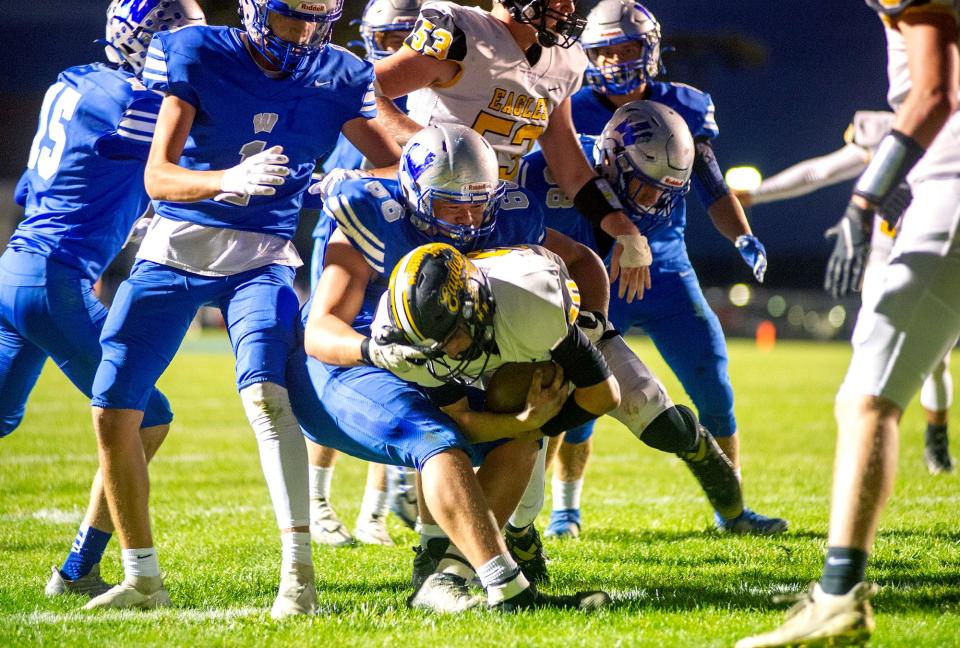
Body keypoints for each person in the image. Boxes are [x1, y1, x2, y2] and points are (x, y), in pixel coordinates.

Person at [84, 0, 400, 617]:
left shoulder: (339, 72)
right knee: (111, 409)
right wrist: (225, 178)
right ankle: (141, 576)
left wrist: (346, 182)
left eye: (317, 20)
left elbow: (389, 160)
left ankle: (299, 578)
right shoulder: (197, 51)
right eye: (292, 18)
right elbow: (158, 178)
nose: (305, 33)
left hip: (263, 255)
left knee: (267, 397)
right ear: (258, 10)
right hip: (174, 245)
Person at [288, 123, 612, 613]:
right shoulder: (376, 215)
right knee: (435, 436)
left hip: (448, 364)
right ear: (415, 191)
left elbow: (584, 260)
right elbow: (320, 331)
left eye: (477, 201)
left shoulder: (506, 217)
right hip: (351, 365)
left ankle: (446, 575)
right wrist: (376, 352)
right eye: (447, 204)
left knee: (523, 423)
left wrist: (592, 326)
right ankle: (508, 588)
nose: (466, 216)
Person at [737, 1, 960, 645]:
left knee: (867, 400)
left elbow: (936, 93)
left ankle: (839, 599)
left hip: (947, 189)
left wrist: (866, 199)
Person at [528, 0, 784, 537]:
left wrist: (742, 234)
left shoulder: (684, 106)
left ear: (651, 48)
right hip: (596, 271)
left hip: (666, 272)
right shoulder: (569, 107)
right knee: (581, 394)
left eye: (628, 48)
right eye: (607, 51)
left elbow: (712, 183)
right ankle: (563, 511)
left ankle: (731, 509)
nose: (619, 60)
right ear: (588, 55)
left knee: (713, 384)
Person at [0, 0, 204, 598]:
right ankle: (77, 568)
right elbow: (188, 160)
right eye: (180, 40)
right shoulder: (140, 106)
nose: (191, 54)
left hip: (17, 267)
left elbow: (38, 186)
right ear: (147, 41)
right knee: (149, 416)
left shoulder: (72, 83)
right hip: (52, 281)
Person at [373, 0, 655, 305]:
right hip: (430, 209)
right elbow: (366, 88)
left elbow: (570, 167)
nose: (569, 7)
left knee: (581, 267)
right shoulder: (464, 34)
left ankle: (599, 343)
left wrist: (624, 228)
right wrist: (429, 144)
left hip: (490, 215)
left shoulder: (563, 60)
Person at [736, 110, 954, 475]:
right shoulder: (887, 128)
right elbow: (820, 171)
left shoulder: (952, 131)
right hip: (885, 255)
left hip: (937, 252)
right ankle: (868, 442)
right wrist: (757, 193)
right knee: (870, 342)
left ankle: (937, 441)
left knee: (937, 361)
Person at [307, 0, 425, 550]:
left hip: (414, 233)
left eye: (407, 32)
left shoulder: (436, 86)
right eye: (387, 34)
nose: (396, 42)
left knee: (407, 365)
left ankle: (374, 513)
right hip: (348, 231)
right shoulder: (348, 83)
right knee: (327, 352)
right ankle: (317, 502)